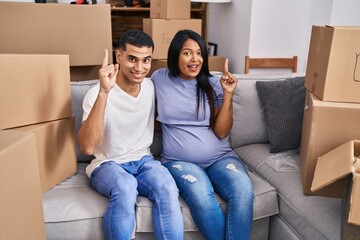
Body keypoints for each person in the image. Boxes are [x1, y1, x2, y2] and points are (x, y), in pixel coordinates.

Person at [78, 30, 183, 240]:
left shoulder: (152, 87)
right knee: (126, 186)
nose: (139, 68)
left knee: (168, 186)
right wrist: (103, 93)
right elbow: (88, 148)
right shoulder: (96, 94)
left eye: (146, 60)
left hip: (144, 161)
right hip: (108, 164)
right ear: (119, 56)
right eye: (132, 59)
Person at [151, 29, 254, 240]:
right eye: (187, 53)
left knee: (243, 192)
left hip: (220, 158)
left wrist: (228, 95)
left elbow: (222, 131)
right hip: (179, 161)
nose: (195, 59)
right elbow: (150, 115)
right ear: (175, 55)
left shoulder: (214, 83)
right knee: (201, 196)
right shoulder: (159, 78)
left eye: (199, 53)